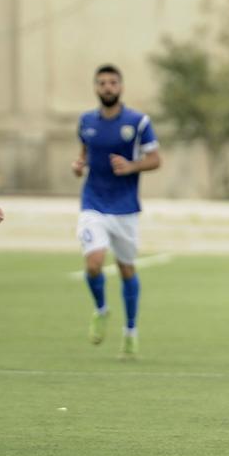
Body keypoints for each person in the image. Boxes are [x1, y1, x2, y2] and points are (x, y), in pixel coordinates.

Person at [73, 64, 161, 359]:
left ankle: (131, 331)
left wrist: (132, 166)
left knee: (126, 269)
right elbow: (84, 154)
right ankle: (101, 309)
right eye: (102, 83)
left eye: (112, 82)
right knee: (94, 263)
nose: (107, 87)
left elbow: (155, 159)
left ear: (120, 87)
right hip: (93, 203)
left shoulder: (137, 122)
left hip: (124, 208)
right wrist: (79, 165)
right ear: (96, 88)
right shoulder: (86, 121)